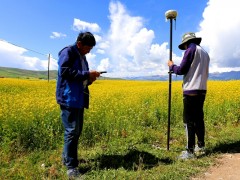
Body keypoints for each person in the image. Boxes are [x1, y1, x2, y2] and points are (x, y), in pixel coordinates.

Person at [56, 32, 100, 177]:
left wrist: (90, 79)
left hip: (79, 98)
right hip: (69, 99)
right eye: (88, 48)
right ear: (80, 44)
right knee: (72, 132)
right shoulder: (68, 52)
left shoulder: (82, 57)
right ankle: (71, 168)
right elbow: (65, 72)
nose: (89, 51)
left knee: (76, 132)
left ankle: (66, 158)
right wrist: (86, 74)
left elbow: (81, 78)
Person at [167, 32, 210, 159]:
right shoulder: (205, 53)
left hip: (191, 90)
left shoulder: (191, 49)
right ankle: (201, 145)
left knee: (188, 121)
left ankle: (189, 151)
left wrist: (172, 66)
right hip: (202, 90)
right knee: (199, 119)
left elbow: (181, 70)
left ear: (186, 43)